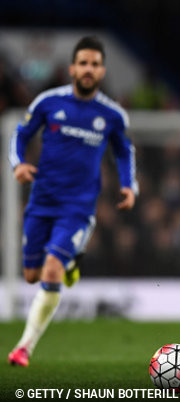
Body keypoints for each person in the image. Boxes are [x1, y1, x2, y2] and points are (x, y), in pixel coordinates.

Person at [7, 36, 138, 367]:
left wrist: (128, 185)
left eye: (95, 64)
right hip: (42, 201)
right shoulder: (48, 102)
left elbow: (124, 150)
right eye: (83, 63)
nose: (89, 69)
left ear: (102, 69)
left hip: (78, 207)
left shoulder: (111, 114)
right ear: (72, 68)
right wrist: (18, 163)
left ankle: (24, 347)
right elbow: (20, 134)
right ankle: (72, 262)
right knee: (32, 275)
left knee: (50, 270)